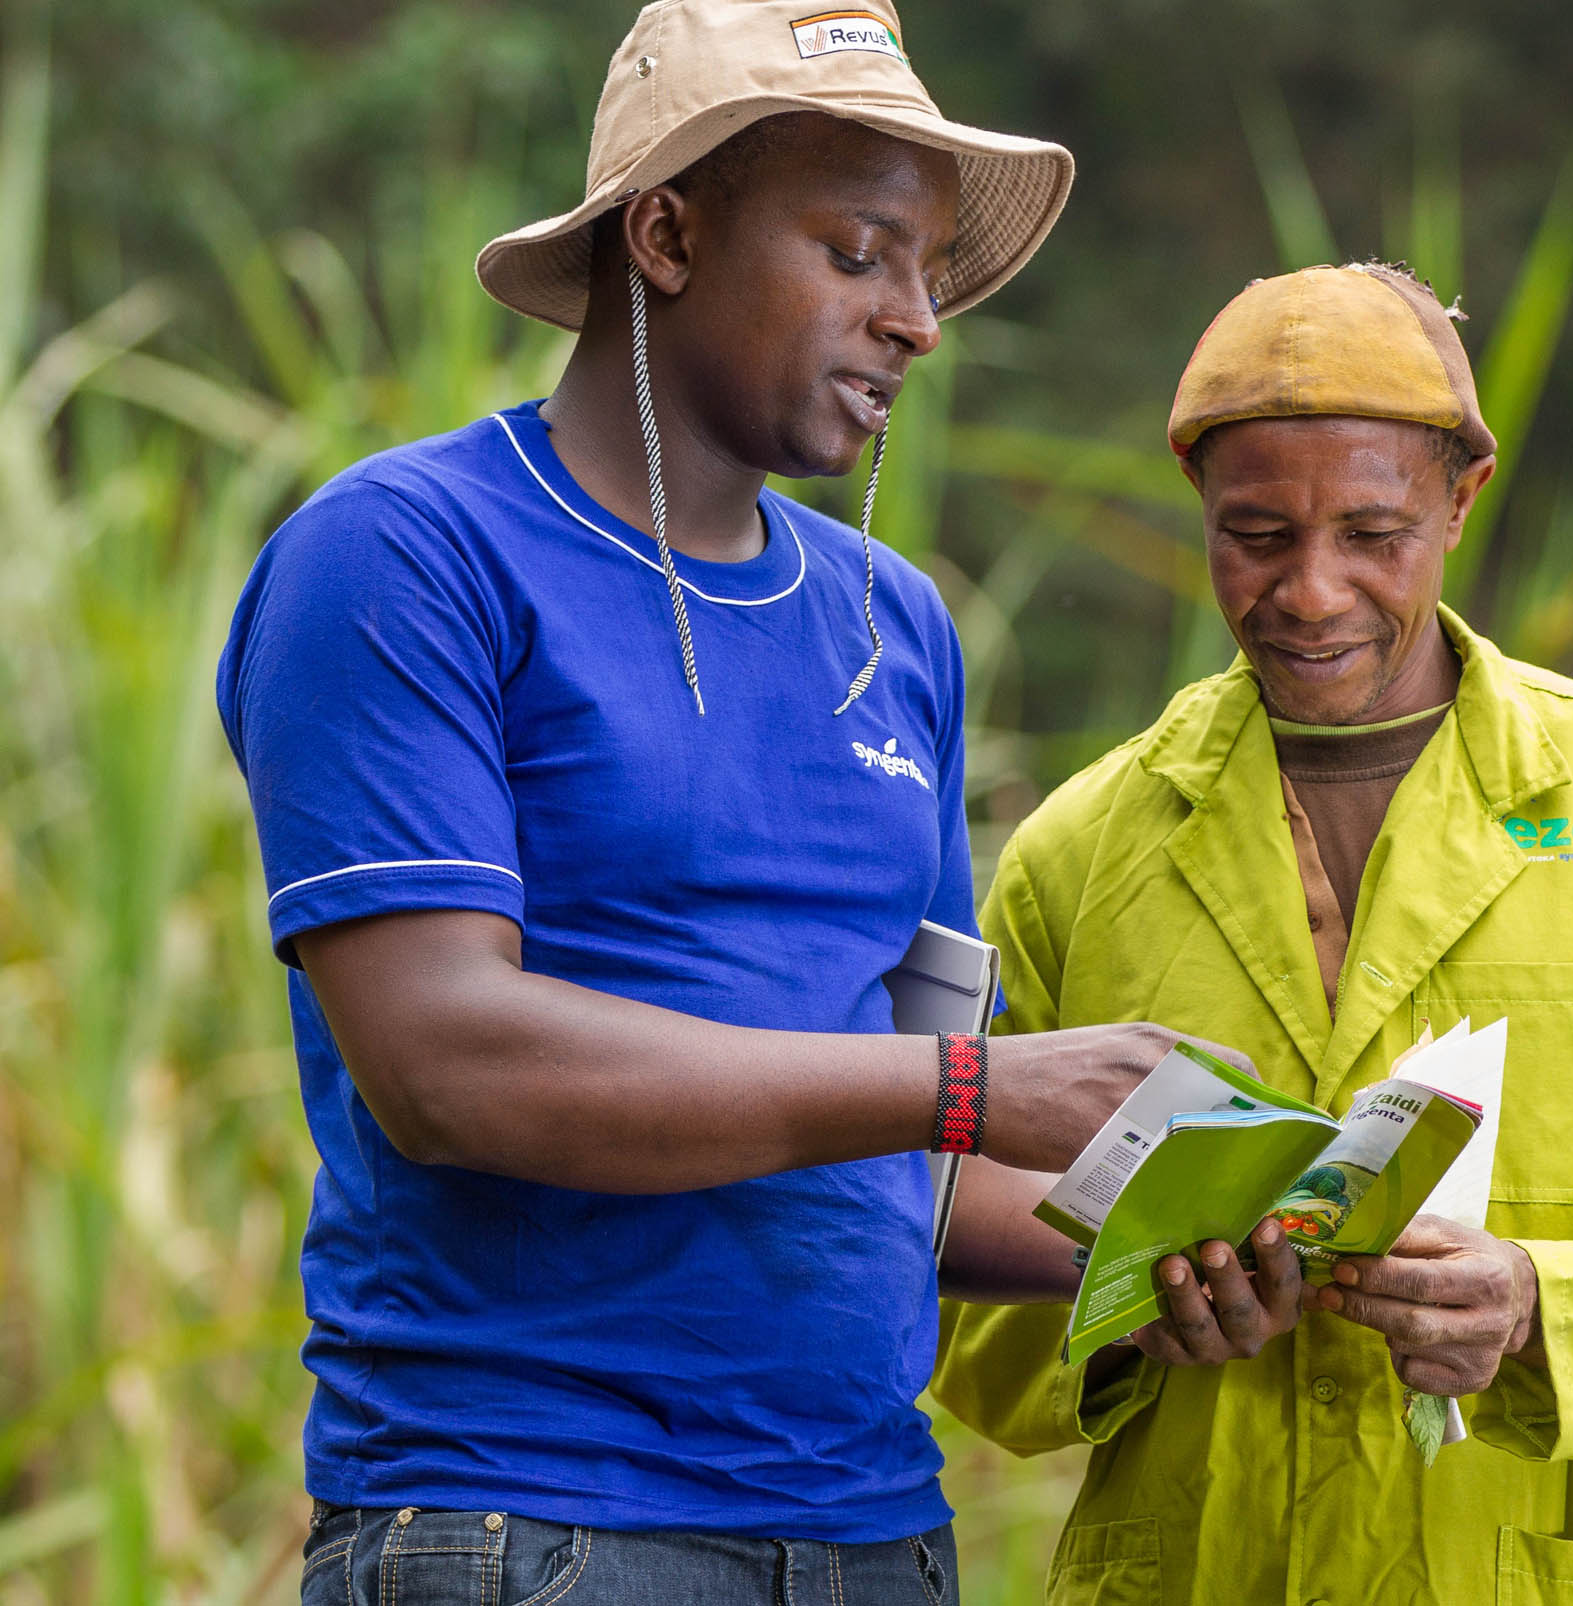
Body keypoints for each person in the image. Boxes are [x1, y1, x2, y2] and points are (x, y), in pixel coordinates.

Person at [216, 3, 1209, 1600]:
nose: (918, 323)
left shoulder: (897, 629)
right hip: (530, 1519)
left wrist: (1183, 1234)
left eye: (930, 273)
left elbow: (916, 1160)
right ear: (668, 236)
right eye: (860, 253)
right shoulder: (406, 554)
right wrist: (965, 1085)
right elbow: (445, 1064)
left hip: (873, 1534)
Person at [934, 263, 1573, 1605]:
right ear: (1197, 502)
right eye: (1255, 535)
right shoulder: (1079, 854)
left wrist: (1535, 1303)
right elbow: (944, 1277)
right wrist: (1126, 1319)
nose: (1312, 591)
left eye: (1374, 533)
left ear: (1463, 500)